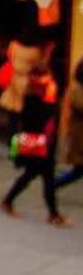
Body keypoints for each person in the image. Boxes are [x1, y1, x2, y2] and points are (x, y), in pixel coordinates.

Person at [1, 66, 70, 226]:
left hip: (43, 145)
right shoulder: (33, 98)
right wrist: (51, 100)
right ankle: (53, 214)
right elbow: (37, 121)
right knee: (46, 178)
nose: (51, 80)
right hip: (39, 145)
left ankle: (8, 200)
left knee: (31, 175)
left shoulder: (42, 95)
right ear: (37, 79)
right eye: (47, 77)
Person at [0, 32, 44, 137]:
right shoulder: (35, 51)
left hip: (13, 78)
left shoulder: (13, 45)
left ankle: (11, 137)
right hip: (25, 81)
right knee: (23, 112)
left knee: (12, 112)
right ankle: (22, 140)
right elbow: (38, 65)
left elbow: (9, 56)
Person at [57, 58, 83, 189]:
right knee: (78, 171)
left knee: (78, 171)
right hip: (79, 137)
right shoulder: (76, 89)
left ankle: (53, 184)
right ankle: (53, 184)